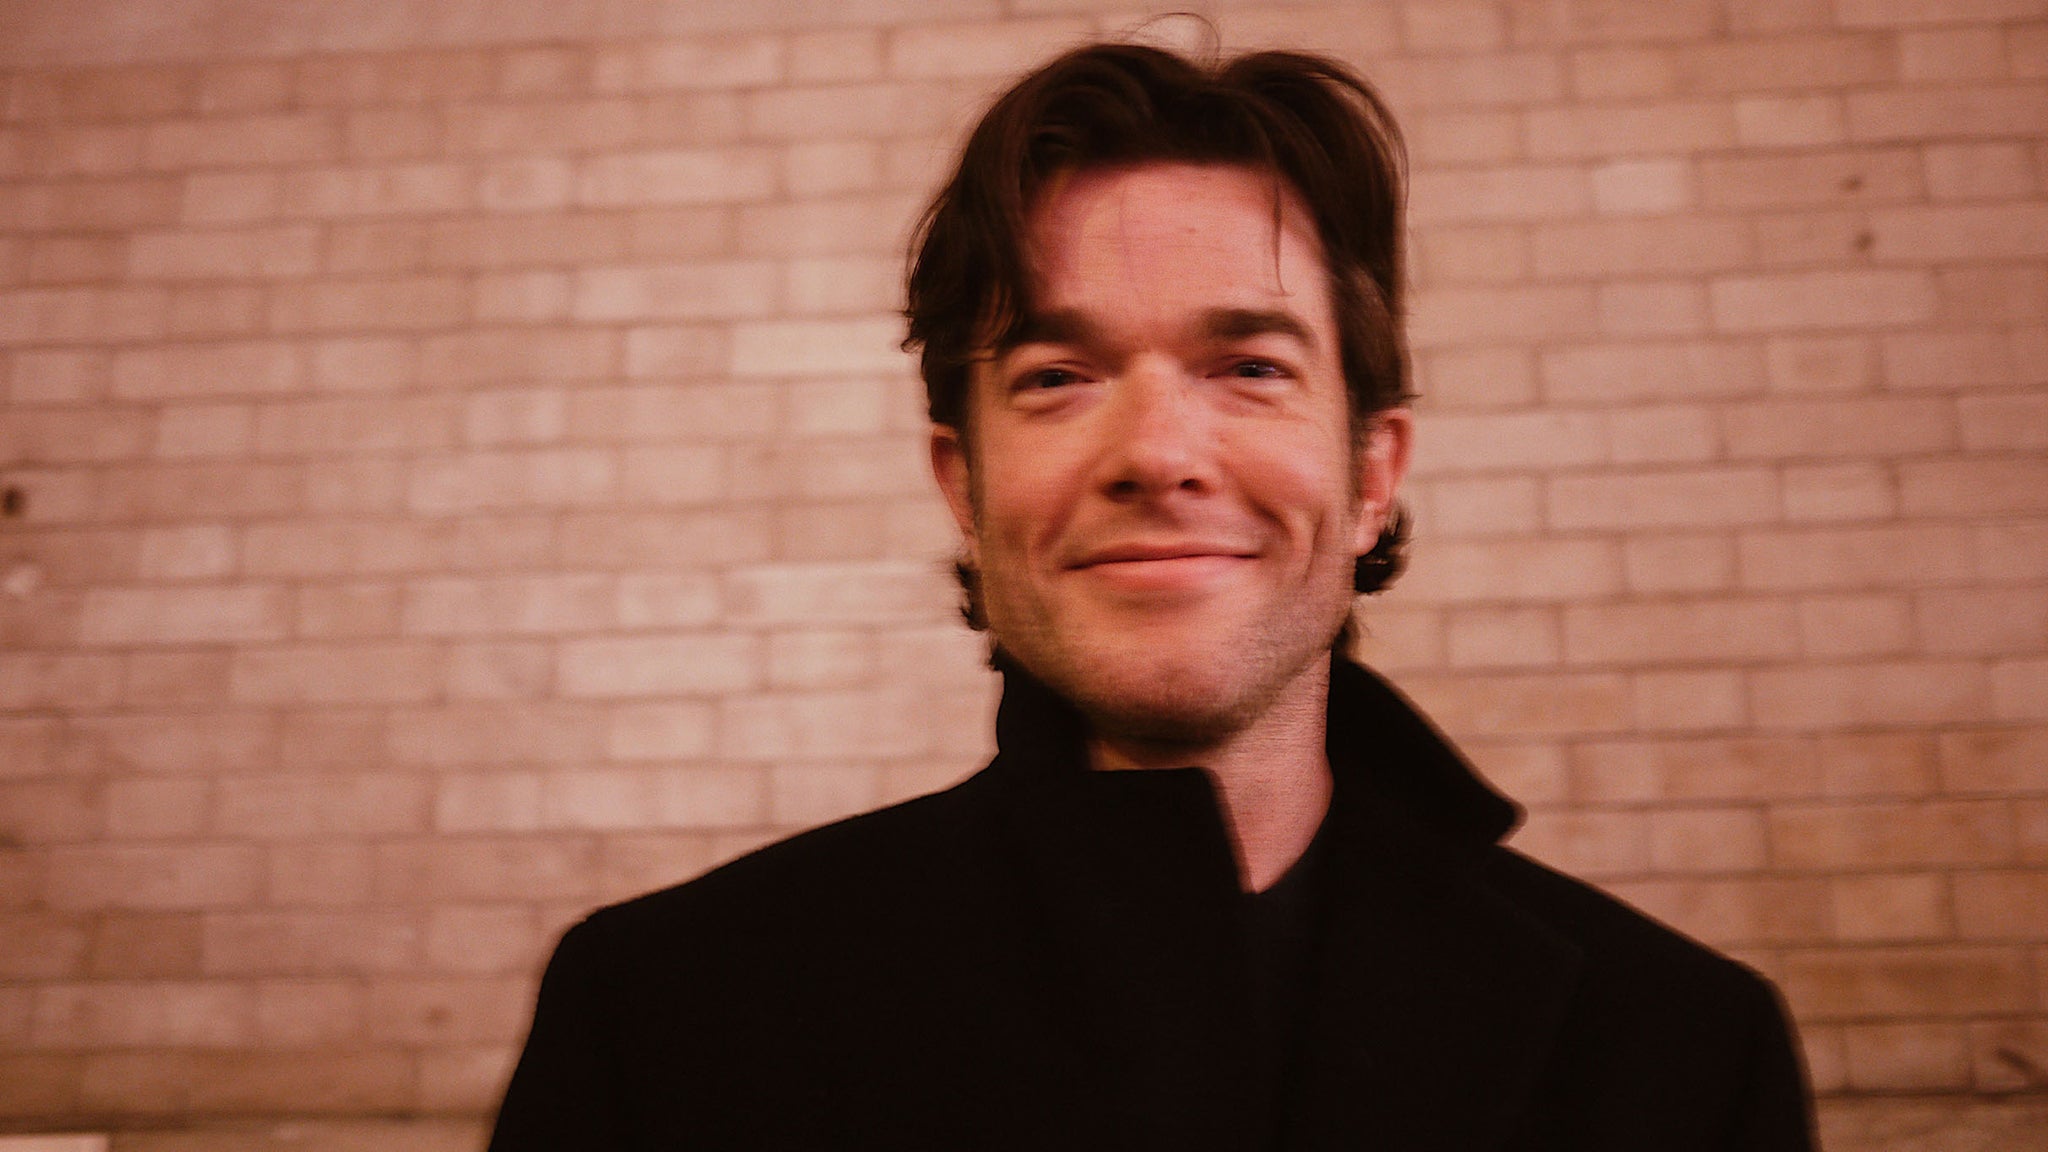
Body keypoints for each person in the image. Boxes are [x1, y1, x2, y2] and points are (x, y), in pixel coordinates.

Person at [488, 42, 1816, 1150]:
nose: (1157, 453)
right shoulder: (665, 1020)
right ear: (963, 484)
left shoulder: (1687, 1051)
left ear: (1372, 475)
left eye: (1249, 367)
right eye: (1058, 378)